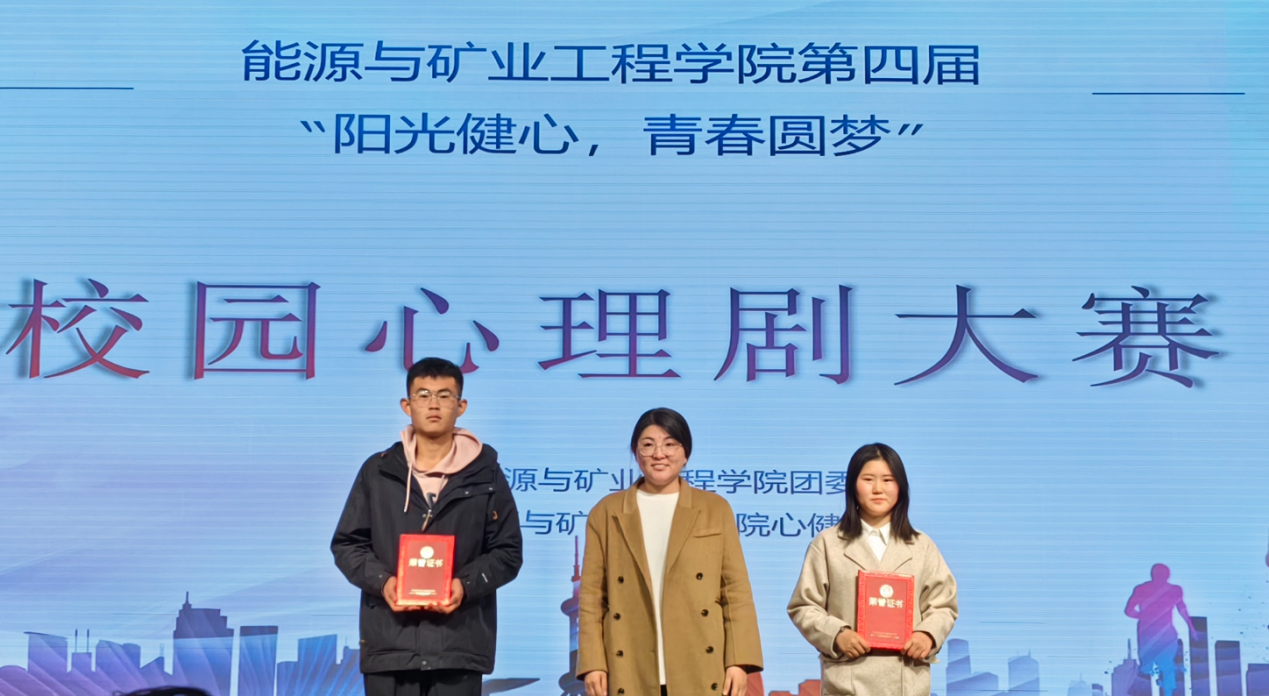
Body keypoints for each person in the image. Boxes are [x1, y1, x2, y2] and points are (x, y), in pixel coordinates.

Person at [332, 357, 523, 696]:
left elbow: (507, 552)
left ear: (461, 406)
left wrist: (464, 586)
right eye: (423, 395)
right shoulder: (378, 471)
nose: (433, 404)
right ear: (407, 405)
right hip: (390, 643)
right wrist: (384, 582)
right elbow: (348, 544)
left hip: (459, 644)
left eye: (444, 395)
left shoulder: (486, 474)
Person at [576, 408, 763, 696]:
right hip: (629, 662)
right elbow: (591, 597)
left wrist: (738, 661)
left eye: (670, 444)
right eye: (648, 445)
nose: (659, 454)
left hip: (700, 660)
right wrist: (592, 663)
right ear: (636, 452)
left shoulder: (714, 509)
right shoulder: (606, 513)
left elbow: (736, 591)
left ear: (685, 453)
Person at [788, 443, 957, 696]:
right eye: (868, 479)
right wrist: (836, 634)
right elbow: (804, 606)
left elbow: (944, 605)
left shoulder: (922, 546)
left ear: (901, 487)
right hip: (847, 681)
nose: (878, 489)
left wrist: (928, 635)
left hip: (907, 681)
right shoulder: (827, 544)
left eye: (888, 480)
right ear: (852, 486)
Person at [1124, 563, 1197, 696]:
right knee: (1161, 667)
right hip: (1157, 634)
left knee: (1153, 668)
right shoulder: (1171, 590)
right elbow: (1182, 608)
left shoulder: (1144, 589)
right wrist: (1191, 628)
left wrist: (1144, 616)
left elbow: (1129, 611)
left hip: (1155, 633)